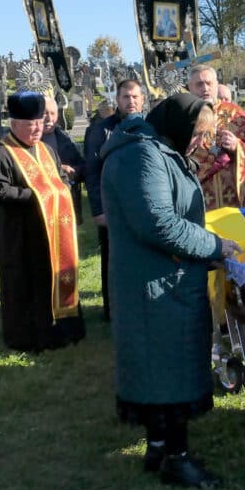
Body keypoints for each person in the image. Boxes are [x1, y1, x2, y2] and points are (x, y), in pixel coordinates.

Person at [100, 93, 240, 488]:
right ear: (178, 124)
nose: (199, 142)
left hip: (160, 279)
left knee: (156, 367)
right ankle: (176, 458)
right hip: (158, 284)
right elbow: (159, 223)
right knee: (170, 368)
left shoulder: (152, 149)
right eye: (197, 134)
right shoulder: (143, 156)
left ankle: (159, 445)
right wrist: (215, 246)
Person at [0, 92, 86, 352]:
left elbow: (58, 181)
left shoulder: (47, 149)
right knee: (26, 284)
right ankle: (30, 337)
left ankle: (64, 328)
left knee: (54, 277)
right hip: (22, 235)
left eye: (40, 122)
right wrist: (37, 196)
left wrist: (62, 188)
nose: (37, 129)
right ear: (15, 124)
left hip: (54, 232)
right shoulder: (2, 153)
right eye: (31, 124)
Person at [84, 78, 145, 321]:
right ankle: (114, 310)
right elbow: (92, 170)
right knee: (113, 258)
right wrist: (98, 209)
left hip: (142, 207)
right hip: (113, 207)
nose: (130, 101)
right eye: (125, 97)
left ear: (142, 99)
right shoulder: (102, 130)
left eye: (135, 97)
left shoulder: (150, 126)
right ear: (117, 100)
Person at [187, 64, 245, 209]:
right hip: (197, 192)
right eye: (199, 84)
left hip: (233, 195)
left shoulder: (233, 113)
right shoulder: (184, 115)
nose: (205, 88)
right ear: (190, 87)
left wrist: (238, 146)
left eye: (209, 83)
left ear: (216, 84)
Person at [41, 94, 86, 225]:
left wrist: (74, 171)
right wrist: (59, 170)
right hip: (43, 204)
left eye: (52, 113)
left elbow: (82, 166)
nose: (49, 118)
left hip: (68, 202)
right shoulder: (30, 141)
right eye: (44, 113)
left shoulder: (64, 138)